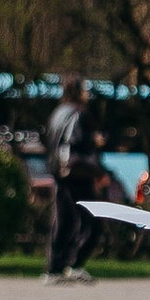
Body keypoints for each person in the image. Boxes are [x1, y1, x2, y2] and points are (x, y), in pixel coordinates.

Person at [44, 74, 100, 278]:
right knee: (89, 219)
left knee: (62, 219)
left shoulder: (58, 113)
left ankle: (54, 267)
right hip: (77, 172)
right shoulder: (78, 114)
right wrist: (95, 166)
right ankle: (73, 264)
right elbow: (74, 142)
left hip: (59, 172)